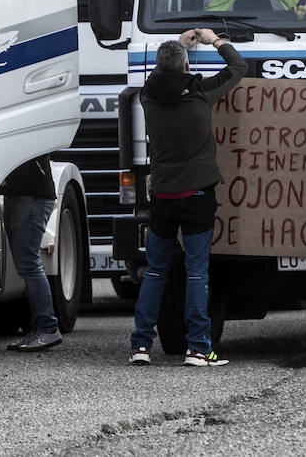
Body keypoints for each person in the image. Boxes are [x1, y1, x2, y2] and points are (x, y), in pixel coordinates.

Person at [129, 28, 247, 367]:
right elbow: (238, 67)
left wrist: (179, 47)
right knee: (197, 273)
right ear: (185, 68)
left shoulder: (147, 96)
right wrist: (215, 41)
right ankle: (198, 349)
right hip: (198, 194)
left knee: (155, 271)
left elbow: (158, 76)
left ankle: (140, 346)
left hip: (163, 196)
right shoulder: (200, 92)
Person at [1, 155, 63, 352]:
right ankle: (39, 328)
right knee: (26, 263)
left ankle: (47, 327)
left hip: (31, 197)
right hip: (21, 195)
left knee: (29, 263)